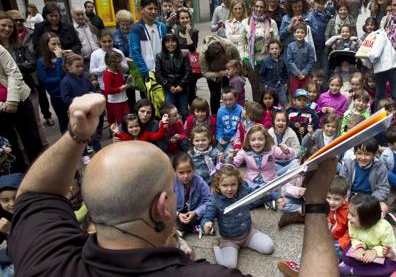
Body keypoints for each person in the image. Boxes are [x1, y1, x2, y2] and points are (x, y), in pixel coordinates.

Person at [8, 92, 341, 275]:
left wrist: (76, 135)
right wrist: (314, 202)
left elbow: (36, 194)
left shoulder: (47, 262)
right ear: (163, 206)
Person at [201, 164, 275, 269]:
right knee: (228, 266)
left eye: (233, 184)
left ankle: (249, 240)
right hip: (229, 239)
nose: (230, 189)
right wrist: (206, 223)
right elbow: (208, 214)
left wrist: (274, 197)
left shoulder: (243, 190)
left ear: (238, 183)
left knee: (269, 247)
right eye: (225, 185)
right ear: (218, 185)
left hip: (248, 233)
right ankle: (216, 246)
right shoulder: (214, 200)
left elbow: (259, 194)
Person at [0, 11, 47, 154]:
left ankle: (39, 159)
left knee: (32, 132)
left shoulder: (19, 45)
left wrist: (14, 68)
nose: (7, 29)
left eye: (10, 26)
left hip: (23, 92)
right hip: (3, 101)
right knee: (9, 140)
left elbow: (28, 65)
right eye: (3, 25)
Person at [0, 44, 42, 171]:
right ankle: (18, 177)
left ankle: (40, 172)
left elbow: (13, 72)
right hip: (1, 109)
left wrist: (12, 101)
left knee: (32, 139)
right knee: (8, 146)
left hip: (20, 98)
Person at [338, 193, 396, 276]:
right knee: (345, 256)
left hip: (379, 256)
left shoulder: (384, 228)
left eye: (352, 215)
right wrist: (359, 248)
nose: (348, 217)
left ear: (367, 219)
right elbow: (354, 238)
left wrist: (375, 252)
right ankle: (365, 269)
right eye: (349, 213)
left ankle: (352, 270)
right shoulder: (352, 223)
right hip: (362, 252)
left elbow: (389, 249)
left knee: (392, 266)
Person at [245, 0, 279, 101]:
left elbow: (276, 41)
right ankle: (257, 113)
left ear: (265, 8)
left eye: (261, 7)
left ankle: (268, 113)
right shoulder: (245, 22)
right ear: (253, 7)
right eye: (257, 6)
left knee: (267, 88)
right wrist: (243, 57)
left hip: (267, 60)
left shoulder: (271, 22)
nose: (259, 9)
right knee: (255, 89)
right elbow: (241, 43)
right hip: (252, 61)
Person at [340, 138, 390, 209]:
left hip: (371, 197)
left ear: (374, 154)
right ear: (355, 152)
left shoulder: (380, 167)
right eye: (359, 153)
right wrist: (350, 197)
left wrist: (370, 199)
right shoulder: (348, 163)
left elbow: (383, 189)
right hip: (352, 196)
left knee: (384, 208)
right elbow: (342, 184)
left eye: (367, 154)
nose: (363, 158)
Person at [172, 152, 211, 236]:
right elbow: (165, 204)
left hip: (195, 213)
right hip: (177, 213)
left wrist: (196, 212)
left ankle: (188, 228)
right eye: (181, 173)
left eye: (189, 171)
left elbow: (210, 200)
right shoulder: (171, 183)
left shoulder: (199, 181)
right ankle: (191, 228)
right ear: (174, 171)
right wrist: (178, 214)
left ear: (193, 169)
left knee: (209, 213)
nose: (186, 176)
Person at [36, 32, 68, 134]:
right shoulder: (41, 61)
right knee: (63, 121)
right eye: (53, 44)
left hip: (69, 93)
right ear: (46, 45)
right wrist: (59, 60)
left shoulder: (64, 57)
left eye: (58, 44)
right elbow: (45, 80)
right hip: (57, 96)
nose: (57, 47)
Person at [129, 0, 167, 80]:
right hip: (147, 74)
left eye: (155, 9)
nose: (153, 12)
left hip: (164, 71)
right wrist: (145, 72)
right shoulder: (136, 29)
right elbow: (135, 52)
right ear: (142, 10)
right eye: (150, 9)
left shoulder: (162, 27)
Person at [200, 36, 241, 114]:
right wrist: (217, 74)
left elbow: (238, 60)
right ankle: (215, 115)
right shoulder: (203, 54)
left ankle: (232, 112)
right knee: (215, 95)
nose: (219, 60)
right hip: (213, 75)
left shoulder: (230, 46)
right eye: (215, 58)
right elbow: (204, 72)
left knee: (229, 93)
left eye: (220, 57)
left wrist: (233, 70)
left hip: (230, 73)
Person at [155, 33, 191, 120]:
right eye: (167, 42)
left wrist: (181, 85)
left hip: (182, 88)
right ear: (164, 44)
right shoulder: (159, 56)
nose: (171, 44)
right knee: (171, 112)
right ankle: (173, 129)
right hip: (169, 89)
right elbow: (158, 74)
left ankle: (185, 129)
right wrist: (169, 86)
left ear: (177, 42)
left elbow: (188, 72)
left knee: (184, 111)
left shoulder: (184, 55)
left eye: (173, 41)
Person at [172, 8, 200, 105]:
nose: (185, 20)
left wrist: (188, 33)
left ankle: (192, 112)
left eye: (187, 18)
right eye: (182, 18)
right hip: (179, 65)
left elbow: (192, 49)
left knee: (191, 91)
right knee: (182, 90)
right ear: (179, 20)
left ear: (190, 18)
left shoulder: (194, 31)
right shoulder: (175, 32)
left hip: (191, 66)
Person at [286, 23, 316, 96]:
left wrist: (304, 72)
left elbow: (311, 61)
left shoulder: (309, 47)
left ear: (305, 34)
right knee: (294, 93)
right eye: (297, 32)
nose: (299, 34)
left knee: (305, 94)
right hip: (294, 75)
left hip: (305, 75)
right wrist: (297, 73)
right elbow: (289, 61)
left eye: (302, 32)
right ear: (294, 34)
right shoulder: (290, 46)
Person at [103, 50, 131, 125]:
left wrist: (128, 81)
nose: (120, 64)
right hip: (115, 102)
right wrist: (120, 89)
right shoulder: (108, 74)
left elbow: (121, 84)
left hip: (124, 99)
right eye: (118, 62)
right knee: (121, 122)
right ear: (112, 63)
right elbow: (108, 90)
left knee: (128, 119)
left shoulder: (118, 71)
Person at [259, 39, 289, 106]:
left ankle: (282, 114)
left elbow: (285, 73)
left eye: (276, 48)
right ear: (269, 50)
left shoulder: (282, 61)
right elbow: (261, 75)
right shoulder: (265, 61)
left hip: (280, 86)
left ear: (280, 50)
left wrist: (285, 83)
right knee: (272, 103)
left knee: (283, 101)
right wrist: (265, 84)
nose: (274, 50)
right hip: (270, 86)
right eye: (272, 49)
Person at [312, 0, 332, 85]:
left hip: (325, 47)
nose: (320, 5)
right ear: (314, 3)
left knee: (325, 70)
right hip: (314, 47)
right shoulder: (311, 16)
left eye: (322, 3)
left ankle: (324, 91)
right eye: (318, 3)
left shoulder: (328, 15)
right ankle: (314, 92)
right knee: (315, 71)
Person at [216, 87, 243, 155]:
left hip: (235, 138)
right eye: (225, 100)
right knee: (217, 154)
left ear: (236, 97)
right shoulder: (220, 111)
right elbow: (219, 127)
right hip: (224, 137)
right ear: (222, 99)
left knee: (227, 154)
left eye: (231, 99)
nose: (228, 102)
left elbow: (241, 127)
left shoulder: (241, 110)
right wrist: (220, 138)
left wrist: (235, 138)